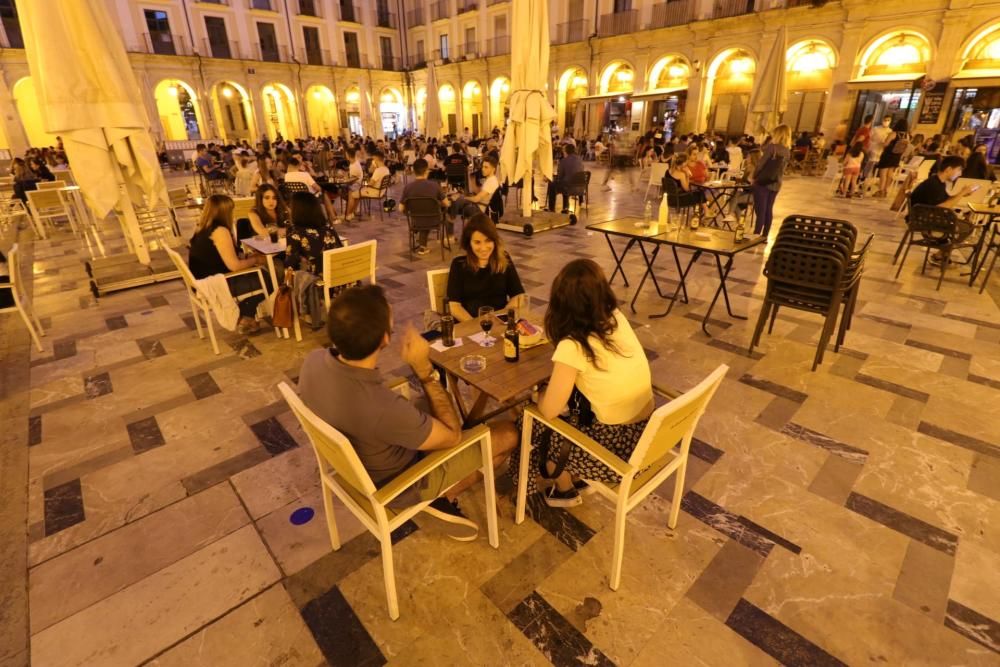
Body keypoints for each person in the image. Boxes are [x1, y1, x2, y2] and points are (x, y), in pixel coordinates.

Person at [297, 285, 518, 539]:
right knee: (508, 433)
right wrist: (424, 370)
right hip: (404, 481)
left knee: (428, 406)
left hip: (363, 460)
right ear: (385, 339)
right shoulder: (381, 408)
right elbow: (453, 437)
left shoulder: (313, 361)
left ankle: (444, 487)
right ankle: (443, 494)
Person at [510, 259, 653, 507]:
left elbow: (549, 410)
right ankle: (575, 476)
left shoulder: (573, 345)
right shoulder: (615, 318)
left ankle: (564, 490)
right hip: (647, 438)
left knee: (530, 419)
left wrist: (537, 395)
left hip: (618, 453)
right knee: (573, 405)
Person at [187, 195, 268, 335]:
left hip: (201, 282)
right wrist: (256, 260)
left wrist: (248, 259)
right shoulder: (220, 231)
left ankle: (246, 316)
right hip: (215, 284)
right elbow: (234, 266)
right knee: (270, 277)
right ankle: (244, 316)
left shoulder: (200, 228)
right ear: (226, 212)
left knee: (260, 273)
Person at [445, 214, 524, 322]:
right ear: (469, 243)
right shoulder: (459, 265)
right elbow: (454, 306)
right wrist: (476, 326)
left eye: (488, 241)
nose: (483, 248)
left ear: (494, 241)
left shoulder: (504, 259)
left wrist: (502, 319)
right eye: (477, 242)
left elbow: (518, 296)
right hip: (469, 325)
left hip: (499, 323)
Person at [909, 155, 978, 264]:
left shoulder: (938, 182)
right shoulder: (933, 185)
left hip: (928, 218)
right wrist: (962, 193)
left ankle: (941, 254)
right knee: (967, 227)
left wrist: (962, 194)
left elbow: (944, 202)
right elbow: (941, 208)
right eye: (959, 170)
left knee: (965, 225)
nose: (960, 174)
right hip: (924, 222)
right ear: (949, 169)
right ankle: (941, 253)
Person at [284, 192, 344, 275]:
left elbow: (290, 264)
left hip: (318, 283)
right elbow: (341, 251)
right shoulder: (328, 228)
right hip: (341, 277)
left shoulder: (294, 232)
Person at [751, 124, 791, 237]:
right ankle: (765, 235)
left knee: (760, 210)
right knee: (769, 209)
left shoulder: (772, 147)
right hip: (776, 183)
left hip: (763, 182)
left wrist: (754, 176)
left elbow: (760, 165)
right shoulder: (787, 151)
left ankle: (756, 234)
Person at [399, 158, 445, 256]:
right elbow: (447, 203)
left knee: (422, 215)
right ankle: (449, 236)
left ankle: (421, 241)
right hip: (434, 220)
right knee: (437, 212)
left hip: (416, 221)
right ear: (426, 170)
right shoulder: (435, 185)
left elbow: (400, 208)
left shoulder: (408, 188)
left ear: (414, 171)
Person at [446, 155, 500, 221]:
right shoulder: (491, 179)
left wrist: (464, 197)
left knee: (458, 201)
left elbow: (476, 199)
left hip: (481, 209)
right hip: (480, 206)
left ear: (493, 169)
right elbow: (479, 194)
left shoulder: (491, 182)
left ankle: (452, 220)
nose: (483, 169)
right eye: (482, 166)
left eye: (486, 167)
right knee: (458, 201)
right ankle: (452, 218)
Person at [545, 143, 584, 213]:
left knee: (552, 185)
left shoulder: (563, 161)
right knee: (565, 181)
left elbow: (560, 176)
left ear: (565, 151)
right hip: (580, 188)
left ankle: (551, 209)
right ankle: (565, 207)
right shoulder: (579, 160)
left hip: (569, 188)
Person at [875, 120, 910, 197]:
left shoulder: (893, 134)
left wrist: (882, 143)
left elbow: (886, 144)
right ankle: (885, 190)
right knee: (890, 174)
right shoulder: (907, 135)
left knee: (883, 173)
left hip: (888, 155)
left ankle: (880, 190)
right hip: (896, 156)